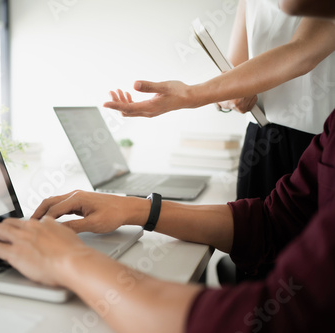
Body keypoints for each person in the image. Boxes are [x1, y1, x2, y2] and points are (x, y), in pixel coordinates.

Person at [0, 1, 335, 332]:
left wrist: (68, 261)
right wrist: (136, 208)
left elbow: (275, 314)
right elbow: (272, 223)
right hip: (264, 136)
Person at [105, 0, 335, 282]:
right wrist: (230, 96)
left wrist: (190, 96)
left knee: (305, 273)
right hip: (260, 139)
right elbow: (233, 71)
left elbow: (302, 52)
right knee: (256, 260)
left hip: (313, 141)